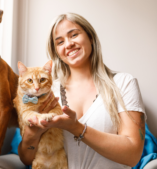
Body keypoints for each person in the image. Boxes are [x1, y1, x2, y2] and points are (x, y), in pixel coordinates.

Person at [18, 13, 146, 169]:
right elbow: (26, 159)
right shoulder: (46, 92)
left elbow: (132, 156)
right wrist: (32, 136)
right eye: (60, 42)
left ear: (90, 37)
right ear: (57, 51)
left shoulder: (124, 83)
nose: (68, 44)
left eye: (74, 35)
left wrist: (76, 128)